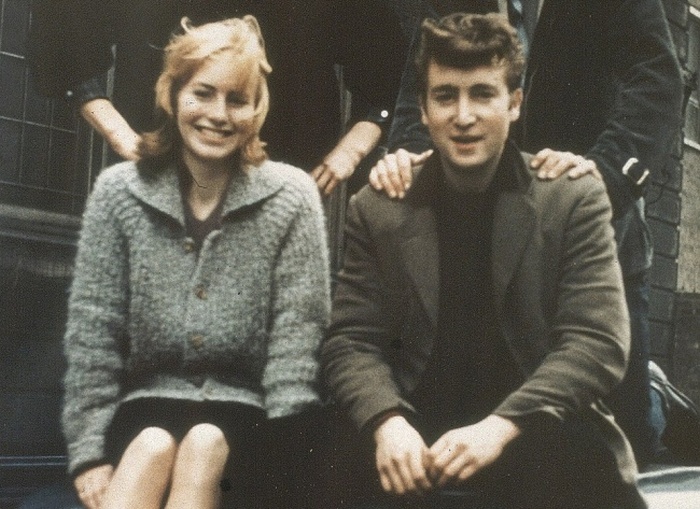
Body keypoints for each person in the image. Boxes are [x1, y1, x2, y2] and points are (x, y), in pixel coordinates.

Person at [321, 13, 647, 508]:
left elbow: (596, 341)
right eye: (445, 96)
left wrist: (499, 428)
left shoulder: (569, 198)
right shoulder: (380, 206)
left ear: (514, 104)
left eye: (482, 94)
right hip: (414, 434)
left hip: (533, 431)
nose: (463, 115)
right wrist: (387, 420)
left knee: (578, 469)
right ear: (423, 109)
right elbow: (351, 340)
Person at [368, 0, 684, 467]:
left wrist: (605, 177)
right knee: (487, 431)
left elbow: (658, 77)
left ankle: (655, 395)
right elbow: (424, 81)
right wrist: (410, 161)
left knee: (625, 438)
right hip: (483, 237)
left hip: (589, 226)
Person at [61, 16, 330, 509]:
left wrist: (287, 460)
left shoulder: (292, 197)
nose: (218, 114)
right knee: (151, 446)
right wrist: (88, 455)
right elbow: (93, 334)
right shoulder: (119, 193)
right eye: (202, 94)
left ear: (258, 108)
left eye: (237, 100)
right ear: (173, 94)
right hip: (142, 410)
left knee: (204, 443)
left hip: (252, 421)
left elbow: (297, 339)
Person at [27, 0, 407, 196]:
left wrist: (349, 152)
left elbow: (391, 66)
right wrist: (118, 135)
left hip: (280, 188)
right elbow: (59, 35)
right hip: (158, 183)